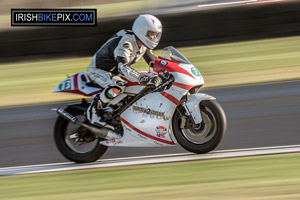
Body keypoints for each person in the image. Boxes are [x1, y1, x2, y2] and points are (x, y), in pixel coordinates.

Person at [87, 14, 163, 125]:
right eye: (151, 34)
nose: (154, 37)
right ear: (142, 31)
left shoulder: (143, 44)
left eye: (156, 35)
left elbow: (154, 62)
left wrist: (168, 70)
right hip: (98, 70)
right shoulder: (126, 42)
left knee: (144, 79)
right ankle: (93, 111)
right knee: (119, 85)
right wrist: (141, 77)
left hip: (113, 72)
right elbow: (123, 67)